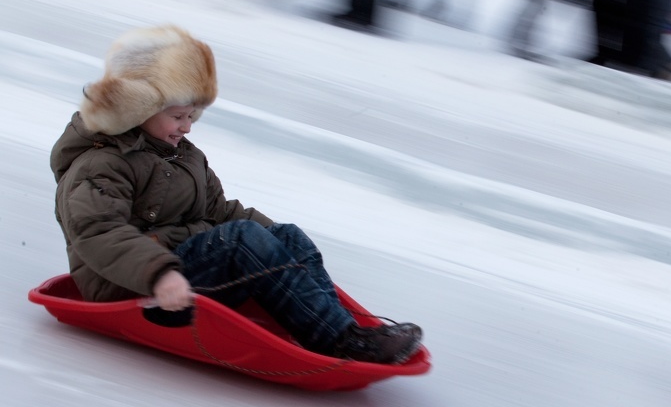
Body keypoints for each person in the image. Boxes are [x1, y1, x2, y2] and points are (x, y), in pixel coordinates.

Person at [50, 25, 423, 364]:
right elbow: (99, 233)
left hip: (177, 264)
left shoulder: (184, 157)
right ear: (138, 107)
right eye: (178, 116)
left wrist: (277, 244)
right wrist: (160, 275)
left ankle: (341, 326)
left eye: (193, 117)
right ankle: (340, 341)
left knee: (285, 234)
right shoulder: (101, 164)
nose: (187, 128)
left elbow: (219, 210)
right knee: (241, 240)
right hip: (130, 285)